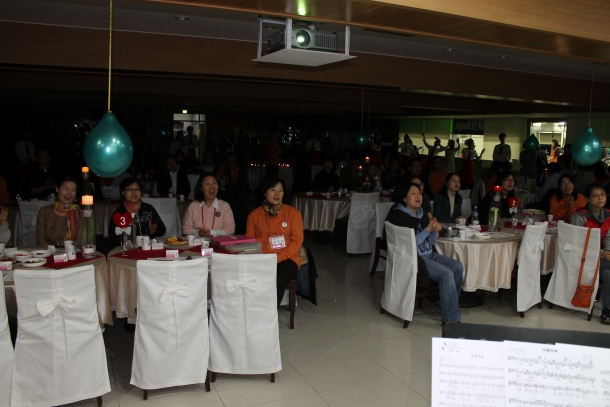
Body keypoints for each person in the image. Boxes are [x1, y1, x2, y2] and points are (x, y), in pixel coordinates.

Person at [385, 182, 463, 324]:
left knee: (458, 267)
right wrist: (427, 229)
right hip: (414, 258)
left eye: (419, 193)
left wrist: (435, 230)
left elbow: (430, 242)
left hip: (428, 253)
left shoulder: (421, 213)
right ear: (404, 198)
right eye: (413, 193)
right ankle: (451, 320)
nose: (418, 196)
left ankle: (446, 303)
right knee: (446, 274)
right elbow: (409, 245)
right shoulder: (398, 216)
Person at [246, 177, 304, 306]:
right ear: (264, 193)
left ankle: (269, 315)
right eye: (273, 190)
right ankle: (253, 310)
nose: (277, 194)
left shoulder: (293, 213)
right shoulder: (254, 215)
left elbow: (297, 241)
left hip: (288, 258)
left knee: (276, 282)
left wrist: (278, 257)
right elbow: (250, 242)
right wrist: (263, 255)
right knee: (250, 280)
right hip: (261, 256)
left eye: (280, 190)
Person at [570, 183, 610, 324]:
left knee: (607, 272)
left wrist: (608, 252)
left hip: (602, 259)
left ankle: (607, 310)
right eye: (595, 195)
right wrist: (602, 254)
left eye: (603, 195)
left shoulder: (608, 214)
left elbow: (609, 238)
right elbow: (578, 243)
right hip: (582, 257)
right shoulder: (580, 216)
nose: (600, 198)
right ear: (587, 198)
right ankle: (607, 310)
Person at [108, 177, 166, 247]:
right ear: (122, 192)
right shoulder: (119, 213)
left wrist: (153, 231)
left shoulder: (148, 209)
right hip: (127, 250)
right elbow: (112, 240)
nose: (134, 193)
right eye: (129, 189)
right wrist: (128, 234)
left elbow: (162, 230)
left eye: (137, 189)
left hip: (147, 248)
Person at [182, 172, 235, 237]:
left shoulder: (224, 206)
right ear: (201, 188)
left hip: (218, 243)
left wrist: (212, 232)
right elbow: (186, 229)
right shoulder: (193, 206)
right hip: (198, 242)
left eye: (214, 183)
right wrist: (198, 233)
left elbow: (230, 230)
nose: (212, 186)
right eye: (207, 183)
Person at [36, 176, 82, 247]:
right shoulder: (44, 211)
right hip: (49, 251)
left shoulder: (78, 212)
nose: (69, 193)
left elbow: (80, 238)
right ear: (57, 189)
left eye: (73, 190)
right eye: (66, 189)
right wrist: (52, 250)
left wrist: (69, 247)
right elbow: (40, 237)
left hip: (71, 251)